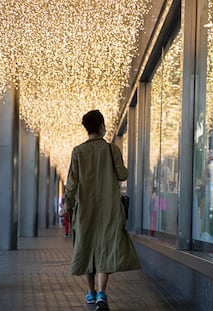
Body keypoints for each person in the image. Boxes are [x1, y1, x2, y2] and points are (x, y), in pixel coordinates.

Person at [65, 109, 140, 310]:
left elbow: (72, 183)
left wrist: (67, 204)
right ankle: (101, 294)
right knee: (106, 248)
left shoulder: (78, 152)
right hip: (109, 209)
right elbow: (122, 175)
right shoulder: (111, 149)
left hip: (85, 210)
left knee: (87, 246)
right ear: (101, 126)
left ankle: (90, 293)